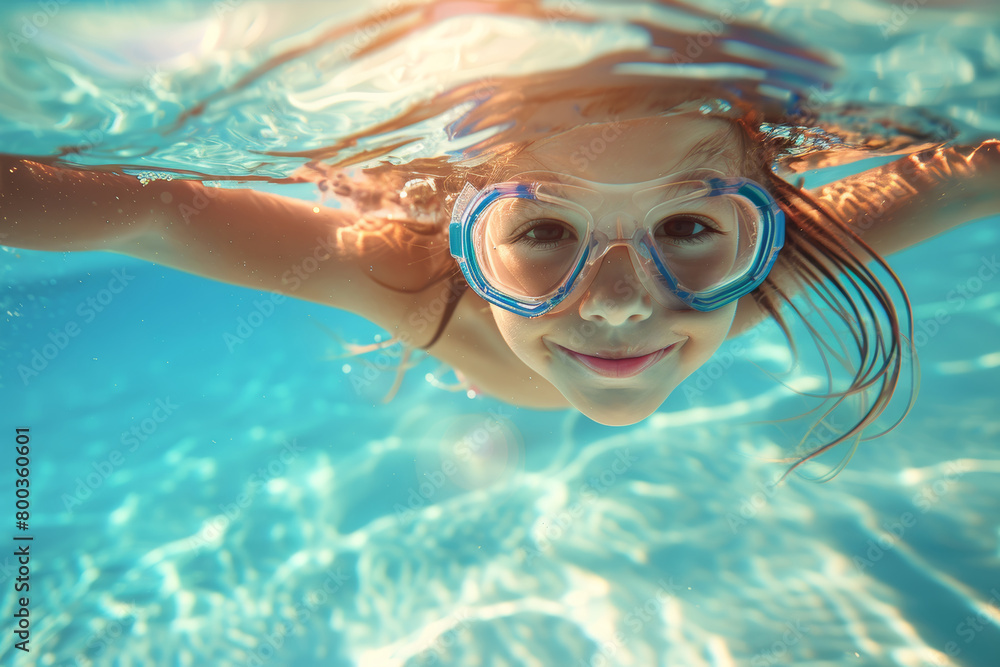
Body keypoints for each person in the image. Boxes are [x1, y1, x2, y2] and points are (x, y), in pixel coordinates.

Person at [2, 92, 997, 474]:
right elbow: (153, 208)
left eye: (691, 226)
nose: (617, 300)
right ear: (463, 241)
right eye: (544, 229)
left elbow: (968, 176)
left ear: (762, 231)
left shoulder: (753, 276)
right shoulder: (404, 276)